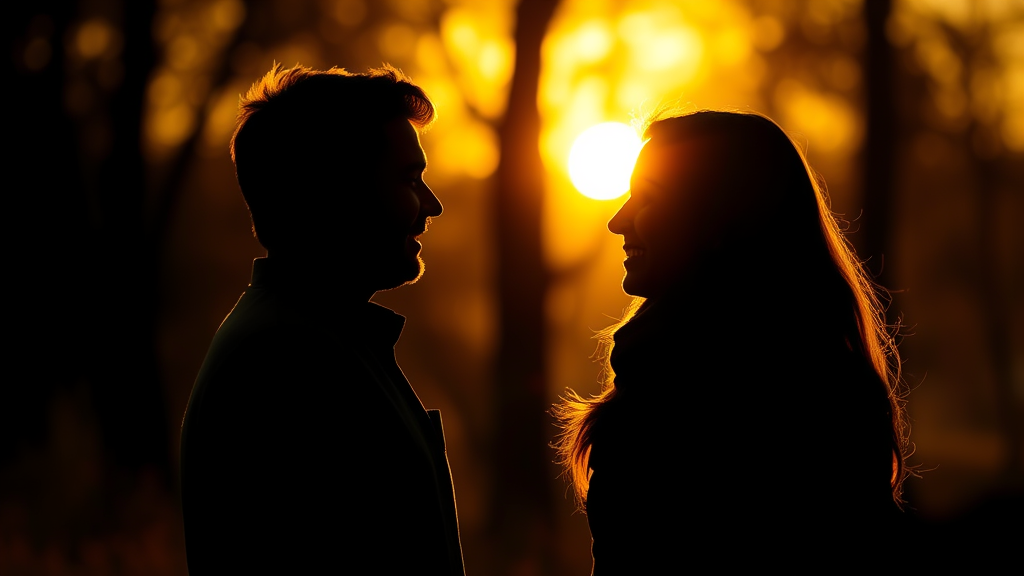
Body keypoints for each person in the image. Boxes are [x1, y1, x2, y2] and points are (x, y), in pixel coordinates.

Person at [554, 110, 911, 571]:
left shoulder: (715, 397)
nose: (618, 221)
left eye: (646, 199)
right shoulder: (830, 384)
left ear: (723, 219)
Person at [180, 64, 465, 574]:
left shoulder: (321, 341)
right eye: (408, 178)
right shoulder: (285, 361)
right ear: (334, 190)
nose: (432, 205)